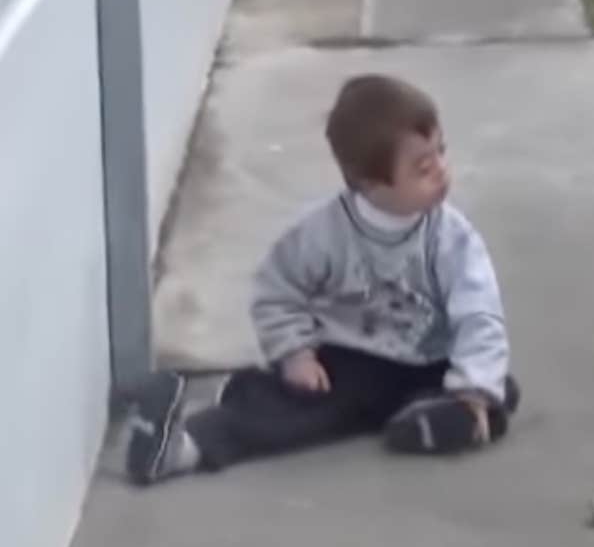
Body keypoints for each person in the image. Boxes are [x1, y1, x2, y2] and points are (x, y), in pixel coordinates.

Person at [124, 73, 519, 486]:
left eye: (442, 152)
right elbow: (277, 293)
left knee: (495, 386)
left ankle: (445, 418)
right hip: (346, 364)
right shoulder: (321, 236)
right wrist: (295, 353)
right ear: (369, 181)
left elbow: (479, 315)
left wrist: (472, 388)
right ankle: (180, 448)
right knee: (291, 415)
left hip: (426, 362)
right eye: (423, 167)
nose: (442, 170)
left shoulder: (452, 238)